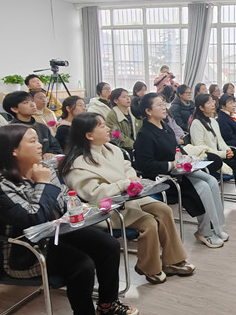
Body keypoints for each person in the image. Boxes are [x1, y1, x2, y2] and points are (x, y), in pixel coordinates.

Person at [0, 124, 138, 315]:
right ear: (13, 150)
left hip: (54, 233)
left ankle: (107, 304)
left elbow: (64, 199)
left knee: (109, 245)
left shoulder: (43, 168)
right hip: (24, 250)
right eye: (32, 141)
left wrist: (77, 207)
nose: (40, 145)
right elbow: (34, 218)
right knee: (82, 265)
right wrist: (43, 184)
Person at [60, 113, 195, 284]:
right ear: (89, 135)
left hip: (130, 198)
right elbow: (93, 194)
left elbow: (127, 167)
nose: (108, 128)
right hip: (106, 208)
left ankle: (173, 261)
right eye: (101, 126)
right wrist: (123, 185)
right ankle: (149, 266)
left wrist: (132, 178)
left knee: (164, 210)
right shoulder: (77, 164)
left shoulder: (112, 149)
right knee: (148, 222)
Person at [134, 93, 228, 247]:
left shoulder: (165, 127)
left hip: (179, 171)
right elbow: (146, 166)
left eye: (164, 104)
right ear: (148, 111)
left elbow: (175, 149)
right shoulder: (144, 135)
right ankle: (205, 231)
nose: (164, 108)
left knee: (211, 180)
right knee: (202, 187)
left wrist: (185, 157)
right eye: (159, 105)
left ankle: (217, 227)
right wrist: (172, 164)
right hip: (162, 178)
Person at [2, 91, 62, 158]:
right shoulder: (11, 131)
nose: (32, 104)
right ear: (15, 109)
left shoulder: (42, 127)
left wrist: (50, 153)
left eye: (32, 101)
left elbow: (56, 147)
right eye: (26, 103)